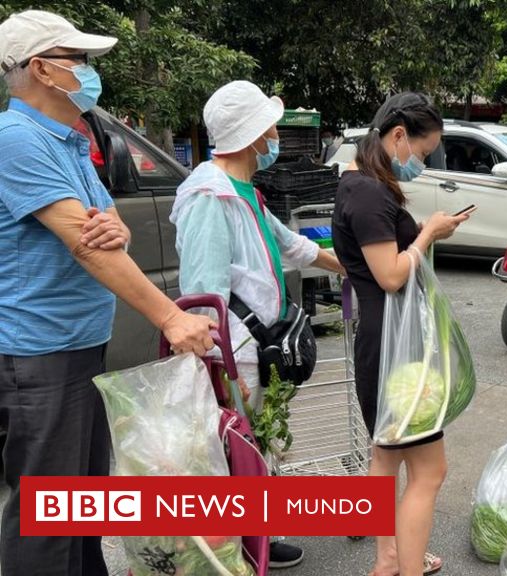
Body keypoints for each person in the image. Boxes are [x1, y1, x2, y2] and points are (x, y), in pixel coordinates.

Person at [0, 10, 215, 575]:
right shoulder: (15, 140)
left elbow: (104, 226)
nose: (90, 74)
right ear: (43, 70)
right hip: (41, 350)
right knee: (48, 509)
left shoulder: (70, 140)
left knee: (85, 499)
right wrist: (171, 317)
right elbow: (88, 245)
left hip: (80, 342)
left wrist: (114, 227)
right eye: (81, 62)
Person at [170, 80, 345, 569]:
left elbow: (292, 245)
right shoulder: (210, 197)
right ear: (250, 136)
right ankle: (235, 550)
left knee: (255, 447)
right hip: (234, 350)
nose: (275, 136)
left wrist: (347, 265)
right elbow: (203, 291)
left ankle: (256, 538)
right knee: (233, 451)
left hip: (256, 346)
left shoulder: (246, 192)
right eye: (270, 127)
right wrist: (214, 362)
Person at [332, 92, 469, 576]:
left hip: (383, 340)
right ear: (397, 137)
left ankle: (389, 561)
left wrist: (430, 232)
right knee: (430, 471)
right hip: (394, 348)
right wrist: (428, 234)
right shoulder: (369, 192)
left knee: (385, 458)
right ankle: (402, 568)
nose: (423, 161)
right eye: (424, 151)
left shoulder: (357, 184)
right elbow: (390, 275)